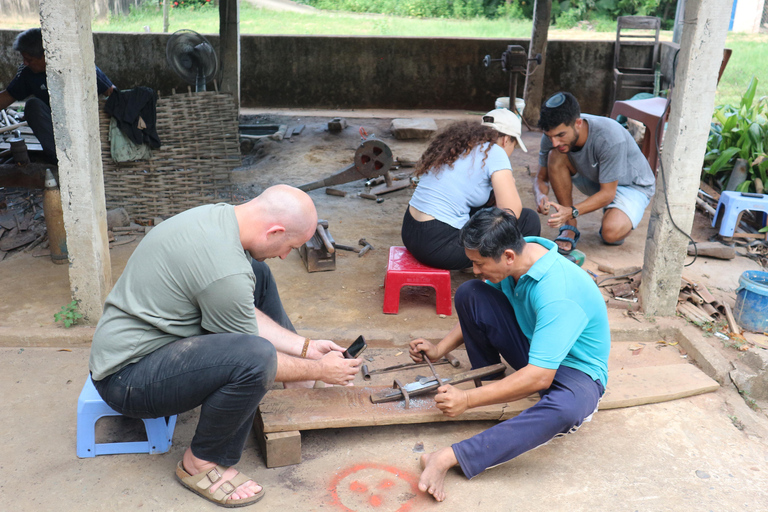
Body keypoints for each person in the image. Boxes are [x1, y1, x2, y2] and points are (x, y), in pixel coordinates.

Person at [89, 185, 362, 507]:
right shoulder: (224, 271)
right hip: (127, 380)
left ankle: (296, 380)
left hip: (149, 345)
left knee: (257, 273)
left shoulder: (220, 219)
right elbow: (254, 353)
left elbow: (238, 306)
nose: (285, 255)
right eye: (289, 246)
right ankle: (201, 461)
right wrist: (320, 370)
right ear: (275, 231)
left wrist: (306, 348)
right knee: (256, 358)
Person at [409, 207, 610, 502]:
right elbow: (481, 302)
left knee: (566, 410)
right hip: (535, 350)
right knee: (471, 292)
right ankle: (493, 389)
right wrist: (440, 349)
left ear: (508, 256)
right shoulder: (517, 259)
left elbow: (540, 377)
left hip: (576, 372)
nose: (475, 270)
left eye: (479, 263)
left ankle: (450, 456)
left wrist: (466, 400)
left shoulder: (558, 292)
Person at [401, 108, 540, 270]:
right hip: (439, 247)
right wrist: (510, 185)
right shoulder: (495, 151)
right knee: (528, 220)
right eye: (514, 146)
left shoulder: (457, 145)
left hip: (410, 233)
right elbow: (511, 212)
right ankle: (512, 275)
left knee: (485, 206)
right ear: (506, 140)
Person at [533, 91, 655, 254]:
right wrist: (540, 195)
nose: (555, 142)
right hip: (596, 177)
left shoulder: (609, 136)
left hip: (631, 186)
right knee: (555, 155)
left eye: (561, 135)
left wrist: (572, 211)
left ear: (578, 123)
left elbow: (608, 194)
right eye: (550, 136)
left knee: (610, 234)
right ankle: (569, 226)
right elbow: (541, 178)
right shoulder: (553, 137)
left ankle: (620, 213)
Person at [0, 28, 116, 161]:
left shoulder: (78, 66)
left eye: (29, 59)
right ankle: (61, 159)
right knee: (33, 105)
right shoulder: (28, 73)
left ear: (45, 55)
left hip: (84, 128)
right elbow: (7, 96)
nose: (25, 63)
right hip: (56, 132)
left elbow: (112, 93)